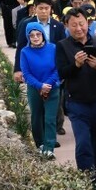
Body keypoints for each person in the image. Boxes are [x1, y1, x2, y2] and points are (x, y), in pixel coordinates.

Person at [56, 8, 96, 190]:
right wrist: (76, 65)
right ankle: (87, 178)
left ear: (88, 23)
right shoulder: (62, 45)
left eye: (82, 24)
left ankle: (91, 171)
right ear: (66, 26)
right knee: (83, 141)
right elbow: (62, 72)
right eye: (74, 25)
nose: (79, 28)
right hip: (77, 102)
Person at [21, 21, 61, 158]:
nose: (36, 37)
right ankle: (40, 144)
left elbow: (57, 69)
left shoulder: (53, 48)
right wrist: (40, 86)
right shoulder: (25, 52)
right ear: (28, 38)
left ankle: (49, 147)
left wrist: (48, 84)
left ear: (43, 34)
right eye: (32, 35)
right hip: (34, 88)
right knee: (36, 117)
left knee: (50, 118)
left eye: (38, 34)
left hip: (52, 87)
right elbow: (26, 74)